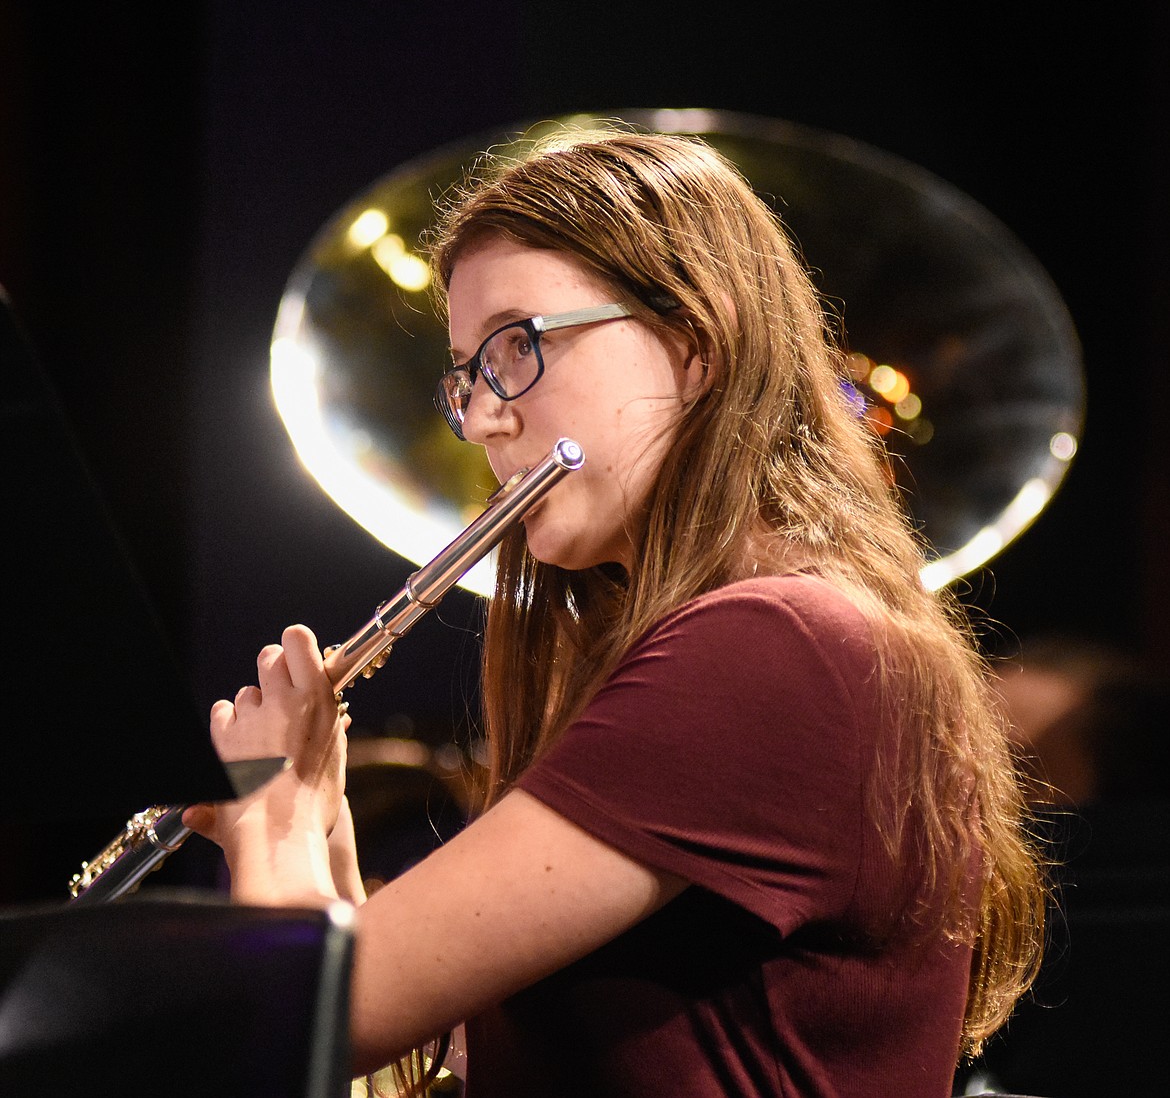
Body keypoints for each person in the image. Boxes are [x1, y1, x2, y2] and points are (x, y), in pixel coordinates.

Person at [184, 129, 1045, 1097]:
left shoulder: (770, 652)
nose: (480, 419)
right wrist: (328, 857)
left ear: (692, 342)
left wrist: (273, 811)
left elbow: (300, 1023)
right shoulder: (769, 641)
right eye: (466, 374)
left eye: (519, 347)